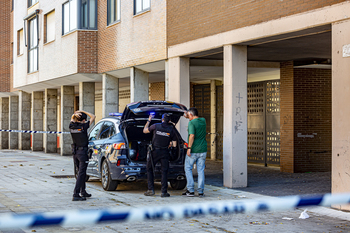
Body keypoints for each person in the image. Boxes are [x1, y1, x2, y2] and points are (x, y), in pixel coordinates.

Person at [143, 113, 176, 197]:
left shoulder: (156, 126)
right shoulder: (171, 129)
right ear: (169, 121)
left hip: (154, 151)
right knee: (164, 171)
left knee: (149, 168)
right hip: (165, 152)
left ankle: (150, 190)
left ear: (162, 119)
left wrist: (149, 120)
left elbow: (144, 130)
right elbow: (175, 145)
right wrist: (170, 144)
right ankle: (164, 192)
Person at [69, 110, 95, 201]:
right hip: (82, 153)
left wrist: (74, 115)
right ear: (84, 120)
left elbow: (72, 119)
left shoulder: (72, 126)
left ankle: (83, 191)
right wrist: (82, 111)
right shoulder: (83, 127)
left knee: (81, 173)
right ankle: (76, 194)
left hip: (75, 153)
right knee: (81, 173)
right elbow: (93, 116)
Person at [183, 107, 207, 197]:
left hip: (194, 150)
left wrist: (189, 148)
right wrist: (188, 116)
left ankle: (190, 190)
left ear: (191, 115)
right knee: (200, 170)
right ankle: (201, 192)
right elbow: (194, 119)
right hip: (203, 149)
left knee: (188, 168)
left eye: (188, 115)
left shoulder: (191, 123)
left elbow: (192, 135)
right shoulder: (203, 120)